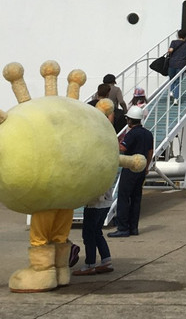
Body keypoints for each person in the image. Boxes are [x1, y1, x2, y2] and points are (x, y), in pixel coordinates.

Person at [75, 99, 117, 275]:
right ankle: (106, 260)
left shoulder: (95, 150)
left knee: (89, 234)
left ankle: (90, 264)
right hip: (106, 200)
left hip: (95, 202)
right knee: (97, 232)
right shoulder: (108, 143)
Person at [109, 105, 153, 237]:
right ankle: (134, 228)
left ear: (130, 120)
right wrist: (146, 167)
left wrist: (112, 140)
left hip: (130, 168)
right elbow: (150, 152)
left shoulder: (132, 133)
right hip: (141, 169)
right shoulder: (148, 133)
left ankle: (123, 228)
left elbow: (122, 148)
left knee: (124, 198)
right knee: (136, 199)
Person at [166, 30, 186, 105]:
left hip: (172, 64)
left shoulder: (173, 42)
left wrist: (169, 51)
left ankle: (171, 92)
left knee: (172, 79)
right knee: (178, 82)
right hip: (181, 65)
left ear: (178, 35)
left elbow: (170, 50)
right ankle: (176, 99)